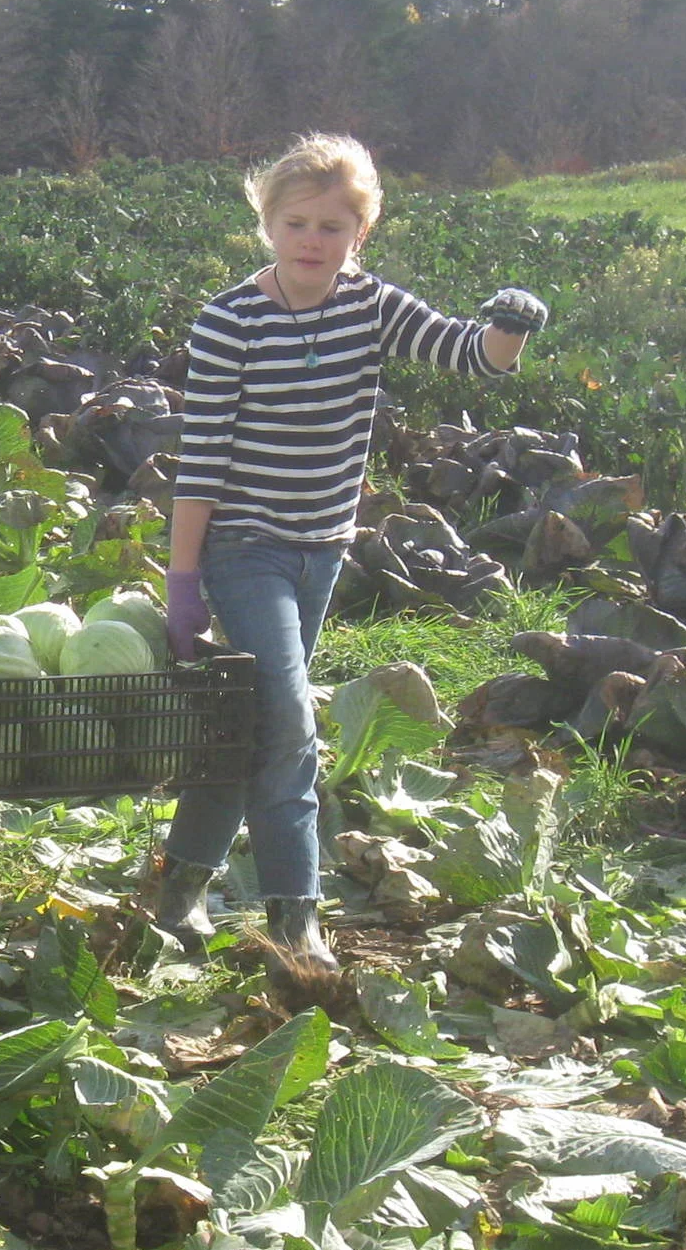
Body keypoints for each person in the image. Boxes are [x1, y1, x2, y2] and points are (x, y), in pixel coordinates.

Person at [145, 133, 549, 988]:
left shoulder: (371, 305)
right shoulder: (231, 321)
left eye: (333, 226)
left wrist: (507, 330)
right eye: (296, 222)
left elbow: (466, 352)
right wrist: (183, 581)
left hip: (322, 549)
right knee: (289, 725)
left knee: (247, 722)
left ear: (359, 235)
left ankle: (179, 887)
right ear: (267, 224)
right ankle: (298, 919)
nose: (312, 241)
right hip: (243, 547)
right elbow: (201, 460)